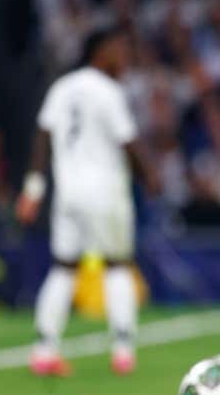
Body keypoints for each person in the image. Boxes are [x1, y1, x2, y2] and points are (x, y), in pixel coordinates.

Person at [16, 28, 159, 376]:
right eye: (119, 51)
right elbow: (129, 142)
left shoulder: (62, 87)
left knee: (64, 266)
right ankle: (123, 348)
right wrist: (151, 177)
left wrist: (33, 190)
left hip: (68, 194)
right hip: (105, 191)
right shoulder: (109, 92)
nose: (123, 59)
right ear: (100, 51)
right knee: (117, 264)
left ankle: (44, 349)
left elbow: (42, 138)